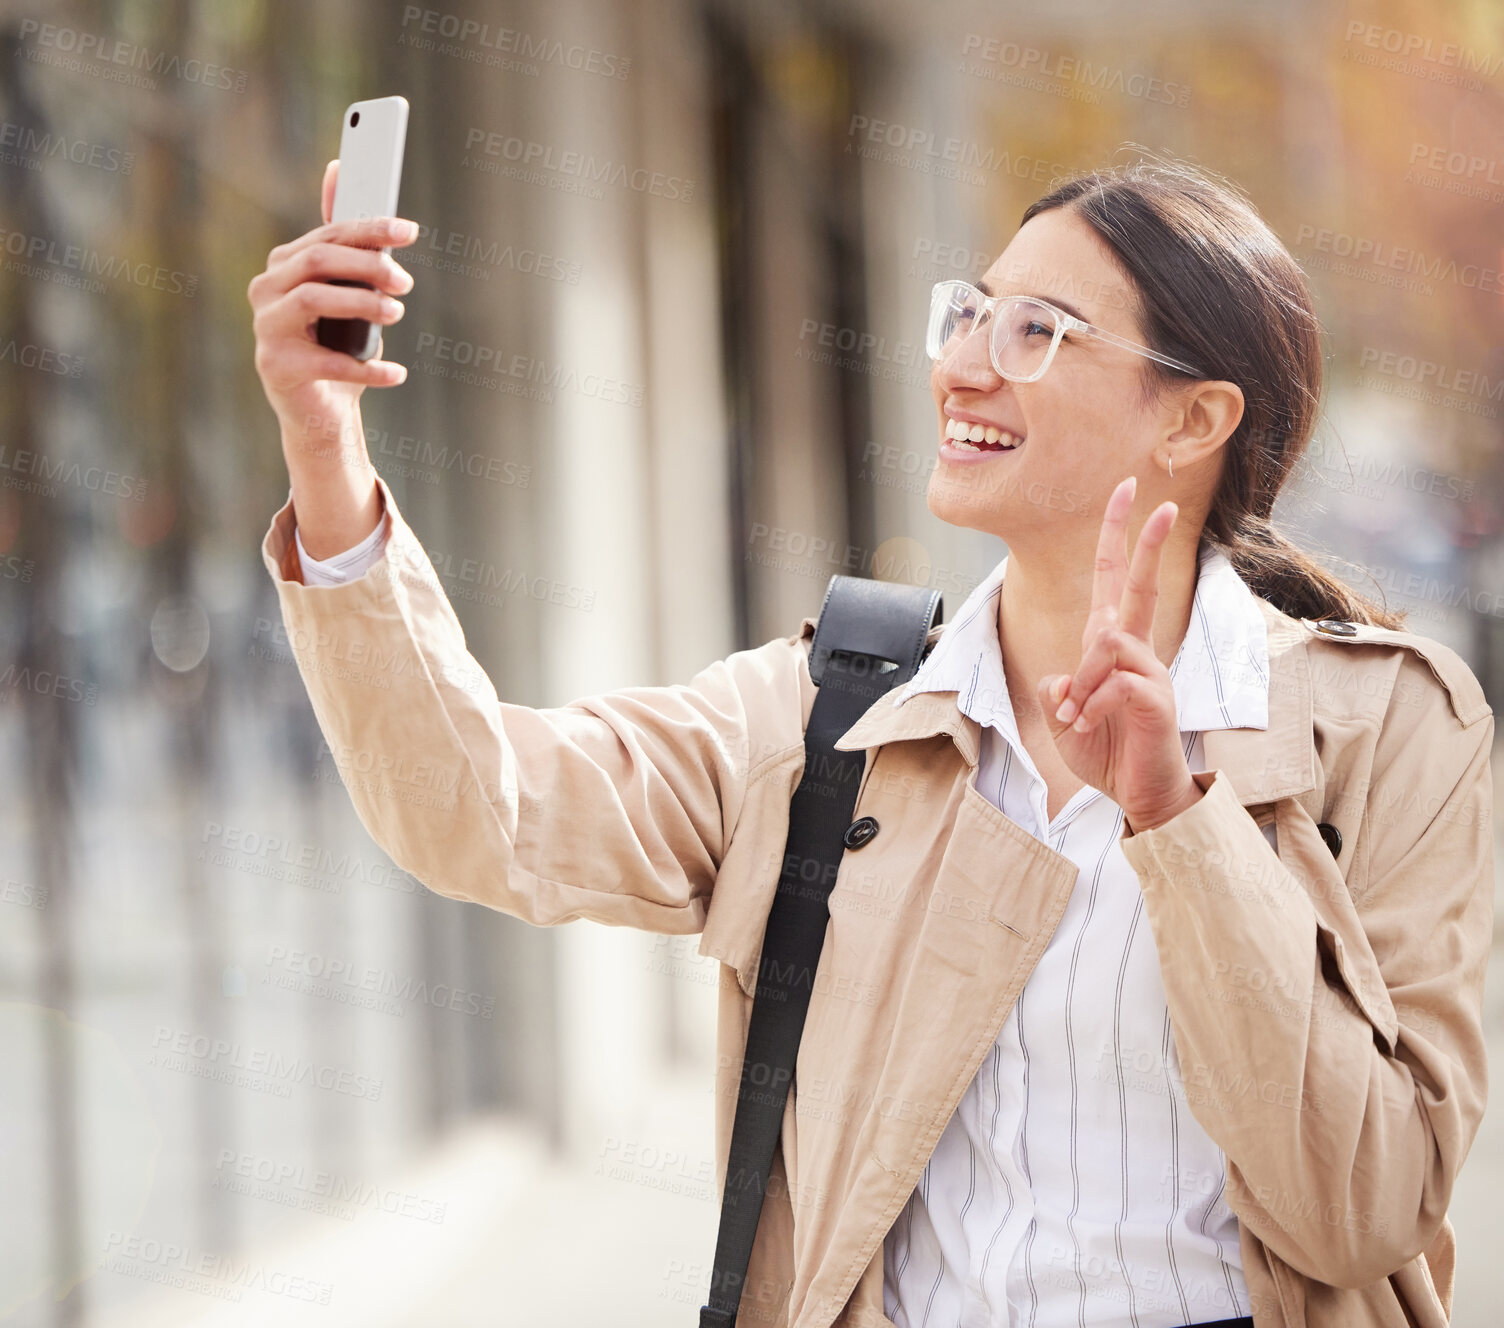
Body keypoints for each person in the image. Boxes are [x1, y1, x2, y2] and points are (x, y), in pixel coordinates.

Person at [247, 155, 1495, 1328]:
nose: (962, 364)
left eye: (1035, 332)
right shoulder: (837, 712)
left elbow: (1364, 1207)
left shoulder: (1387, 729)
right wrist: (325, 447)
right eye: (969, 313)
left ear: (1193, 419)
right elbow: (480, 805)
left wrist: (1178, 819)